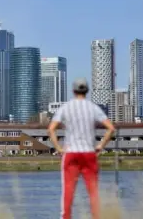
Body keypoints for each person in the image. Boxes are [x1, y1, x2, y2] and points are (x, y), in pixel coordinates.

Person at [47, 78, 115, 219]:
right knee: (93, 193)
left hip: (71, 153)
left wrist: (59, 148)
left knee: (68, 192)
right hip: (89, 153)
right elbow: (111, 128)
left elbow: (51, 129)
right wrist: (100, 146)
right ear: (87, 91)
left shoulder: (66, 107)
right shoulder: (93, 107)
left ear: (73, 90)